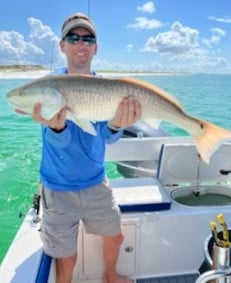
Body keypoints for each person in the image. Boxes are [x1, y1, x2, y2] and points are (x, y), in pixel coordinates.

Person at [32, 12, 142, 283]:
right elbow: (61, 142)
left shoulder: (106, 87)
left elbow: (105, 135)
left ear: (95, 47)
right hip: (58, 188)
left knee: (116, 236)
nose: (80, 43)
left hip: (95, 182)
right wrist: (57, 128)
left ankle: (111, 277)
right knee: (66, 258)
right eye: (73, 37)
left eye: (87, 38)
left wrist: (117, 123)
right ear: (62, 45)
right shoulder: (49, 87)